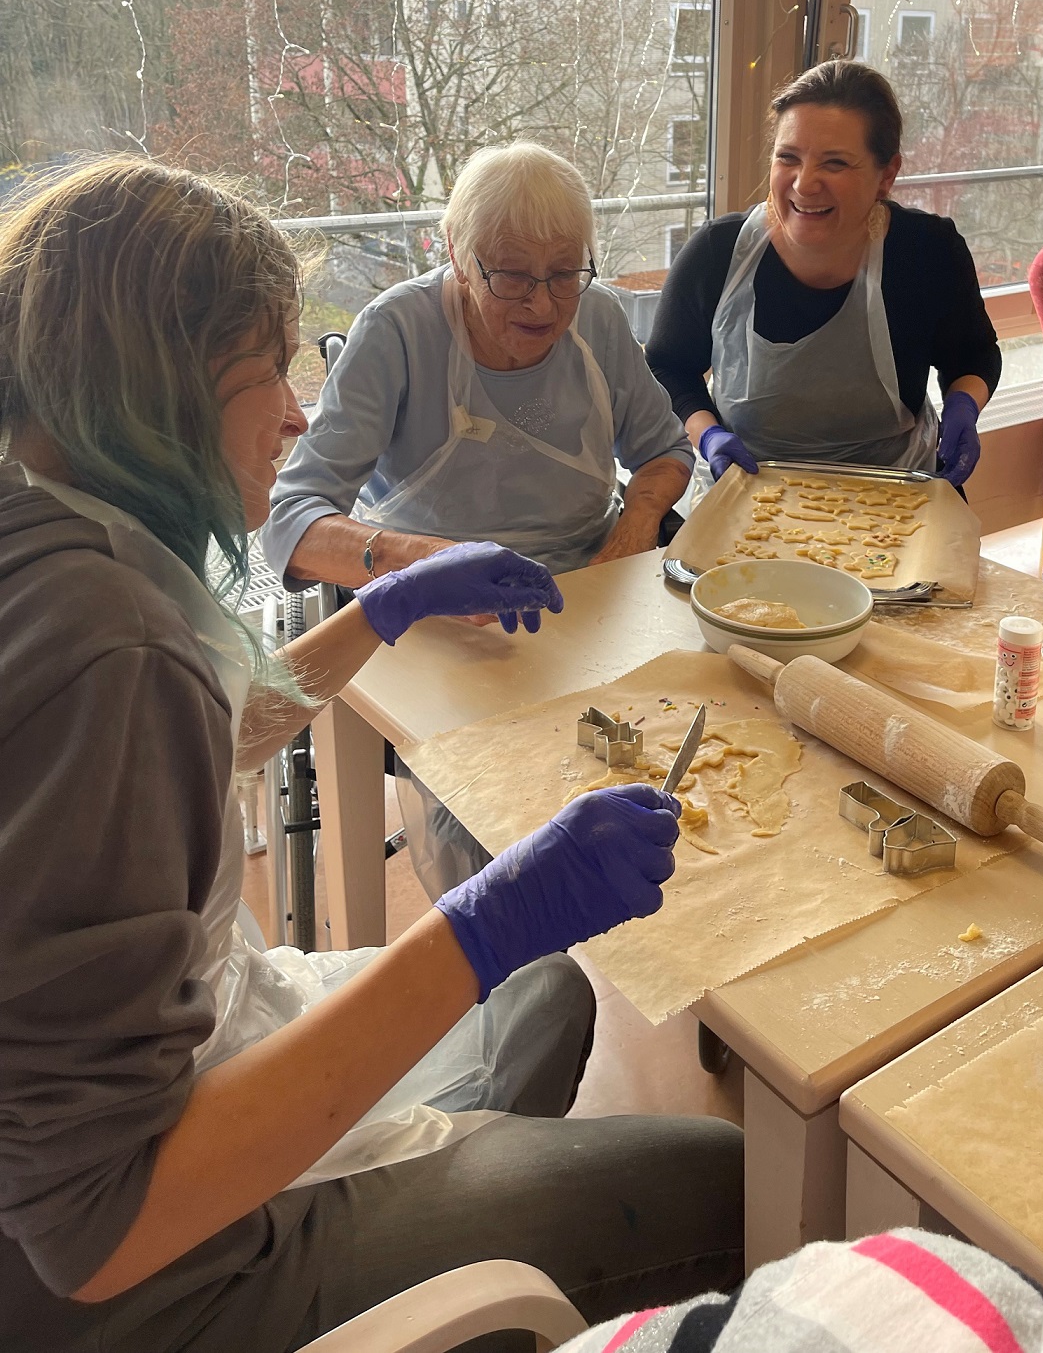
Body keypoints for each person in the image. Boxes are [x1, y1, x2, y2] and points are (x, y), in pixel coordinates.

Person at [0, 157, 743, 1353]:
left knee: (548, 985)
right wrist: (485, 919)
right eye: (269, 370)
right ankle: (435, 1262)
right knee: (719, 1177)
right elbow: (99, 1227)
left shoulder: (48, 516)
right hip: (166, 1270)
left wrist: (383, 607)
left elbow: (204, 735)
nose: (296, 415)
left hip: (189, 1052)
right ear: (157, 384)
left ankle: (462, 1196)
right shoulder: (108, 645)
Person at [261, 141, 693, 895]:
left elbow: (663, 452)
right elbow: (290, 521)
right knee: (493, 834)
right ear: (457, 256)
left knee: (670, 768)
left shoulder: (598, 317)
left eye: (564, 272)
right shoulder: (397, 331)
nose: (543, 305)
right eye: (512, 276)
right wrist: (425, 567)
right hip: (441, 623)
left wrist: (626, 540)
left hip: (589, 599)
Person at [645, 60, 1001, 489]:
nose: (804, 184)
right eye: (788, 158)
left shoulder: (926, 252)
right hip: (748, 487)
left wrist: (963, 406)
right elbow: (668, 366)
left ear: (886, 175)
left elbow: (973, 354)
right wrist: (708, 435)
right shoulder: (716, 253)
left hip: (896, 490)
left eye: (835, 163)